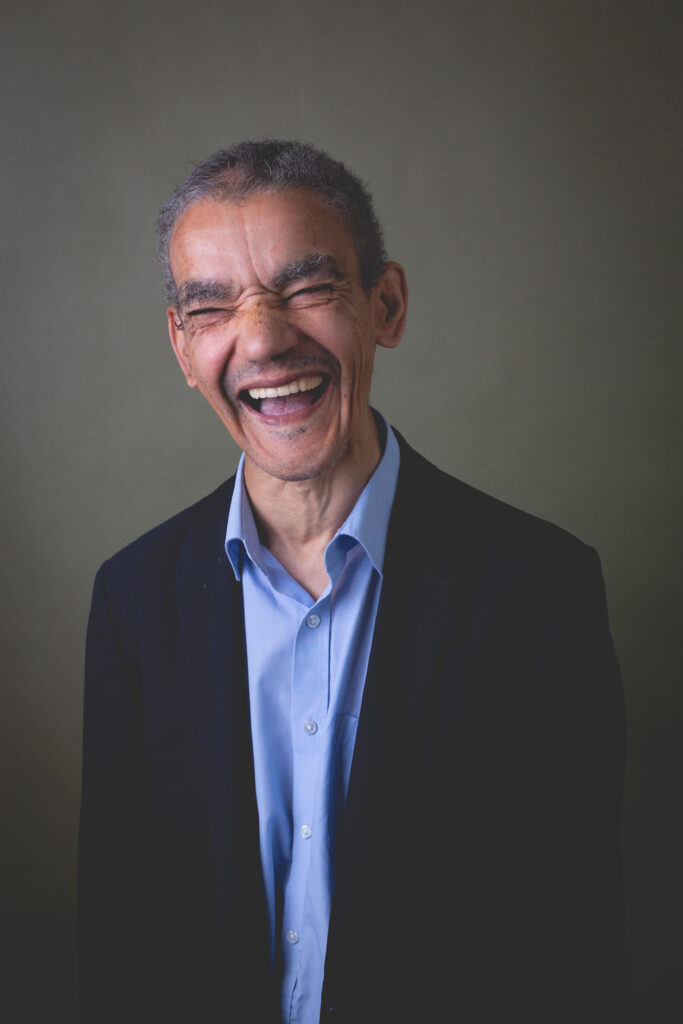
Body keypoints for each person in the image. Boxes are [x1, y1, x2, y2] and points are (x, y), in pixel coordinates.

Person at [78, 140, 626, 1024]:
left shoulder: (542, 591)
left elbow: (575, 947)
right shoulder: (132, 601)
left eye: (305, 287)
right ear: (182, 347)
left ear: (386, 304)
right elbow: (119, 946)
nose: (261, 339)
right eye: (212, 306)